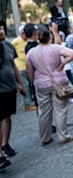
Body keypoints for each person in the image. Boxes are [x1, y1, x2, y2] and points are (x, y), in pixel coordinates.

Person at [26, 28, 73, 145]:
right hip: (58, 82)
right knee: (60, 110)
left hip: (41, 84)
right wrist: (62, 64)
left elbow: (29, 70)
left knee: (44, 111)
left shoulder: (32, 52)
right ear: (50, 37)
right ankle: (64, 135)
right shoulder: (56, 48)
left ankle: (45, 137)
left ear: (38, 38)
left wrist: (34, 80)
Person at [0, 22, 23, 165]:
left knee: (7, 116)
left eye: (2, 28)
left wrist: (19, 82)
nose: (2, 30)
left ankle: (5, 144)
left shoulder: (8, 45)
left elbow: (13, 65)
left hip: (9, 88)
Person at [12, 25, 36, 111]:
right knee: (24, 86)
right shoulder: (15, 41)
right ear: (20, 33)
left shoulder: (28, 41)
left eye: (24, 33)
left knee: (30, 85)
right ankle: (26, 105)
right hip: (20, 67)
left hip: (28, 66)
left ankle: (30, 102)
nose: (24, 35)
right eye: (22, 33)